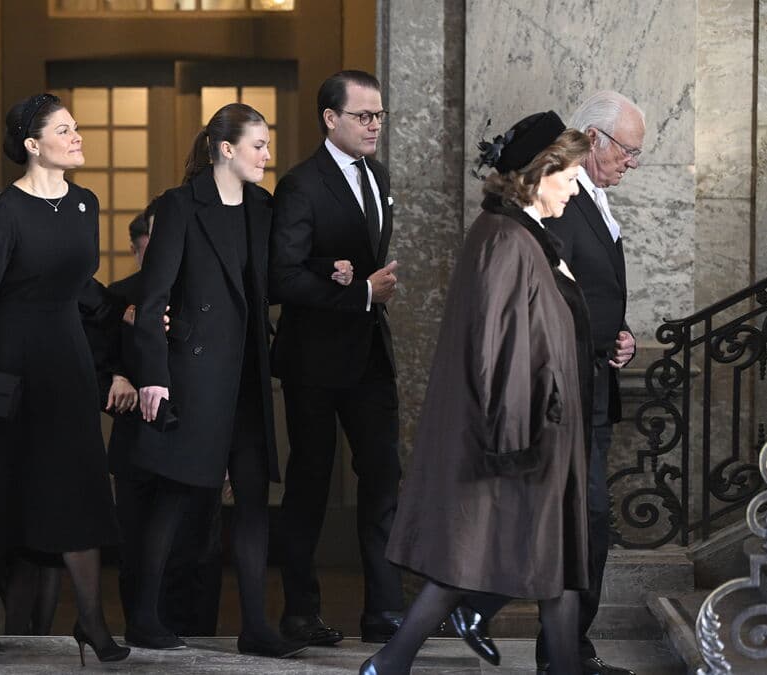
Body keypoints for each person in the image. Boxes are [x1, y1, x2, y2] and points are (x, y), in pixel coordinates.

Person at [363, 111, 594, 675]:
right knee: (479, 555)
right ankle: (391, 661)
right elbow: (493, 345)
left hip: (543, 426)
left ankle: (555, 664)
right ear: (538, 176)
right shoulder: (507, 239)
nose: (575, 190)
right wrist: (516, 433)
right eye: (568, 179)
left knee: (553, 556)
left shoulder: (523, 235)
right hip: (523, 430)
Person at [0, 92, 128, 666]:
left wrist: (128, 311)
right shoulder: (5, 211)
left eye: (77, 127)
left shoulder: (86, 204)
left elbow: (82, 286)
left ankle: (92, 622)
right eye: (66, 129)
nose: (78, 136)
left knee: (78, 491)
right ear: (34, 145)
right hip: (8, 366)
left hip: (66, 365)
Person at [451, 93, 643, 675]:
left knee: (582, 523)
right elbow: (538, 299)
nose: (631, 162)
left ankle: (563, 654)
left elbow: (591, 291)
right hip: (561, 390)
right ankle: (486, 612)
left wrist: (621, 334)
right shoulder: (554, 205)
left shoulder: (592, 203)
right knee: (571, 522)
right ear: (593, 138)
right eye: (628, 150)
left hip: (591, 382)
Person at [129, 102, 305, 659]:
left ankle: (256, 626)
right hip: (194, 375)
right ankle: (142, 618)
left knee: (252, 500)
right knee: (177, 498)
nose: (267, 155)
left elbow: (277, 278)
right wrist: (154, 377)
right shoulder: (180, 207)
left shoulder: (262, 208)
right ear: (226, 149)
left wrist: (336, 274)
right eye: (259, 145)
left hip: (247, 376)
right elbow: (153, 297)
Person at [268, 69, 405, 646]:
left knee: (384, 477)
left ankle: (384, 611)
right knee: (310, 483)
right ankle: (300, 613)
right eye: (363, 116)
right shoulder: (301, 185)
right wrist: (356, 291)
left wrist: (361, 290)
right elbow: (281, 277)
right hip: (314, 360)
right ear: (331, 119)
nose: (374, 125)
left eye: (379, 115)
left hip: (370, 356)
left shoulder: (378, 175)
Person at [108, 204, 226, 638]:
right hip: (137, 439)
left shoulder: (203, 295)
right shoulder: (118, 295)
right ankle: (141, 626)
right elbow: (98, 360)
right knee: (135, 546)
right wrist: (118, 375)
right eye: (149, 246)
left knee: (199, 546)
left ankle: (197, 634)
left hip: (194, 434)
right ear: (137, 250)